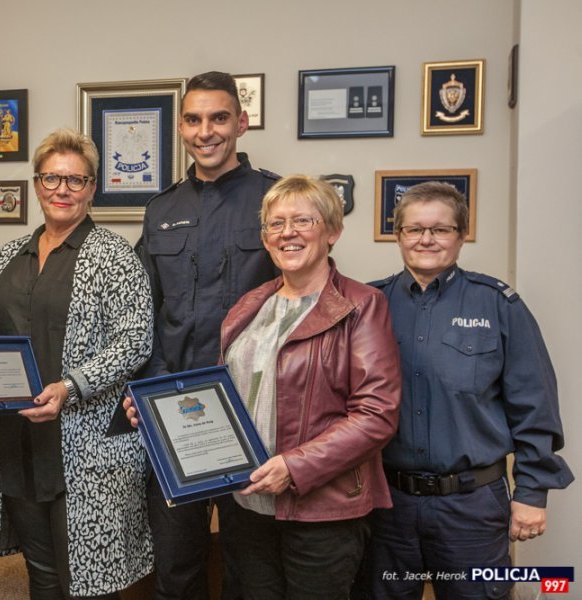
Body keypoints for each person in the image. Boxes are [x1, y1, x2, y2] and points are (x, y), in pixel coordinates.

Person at [363, 181, 575, 598]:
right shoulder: (369, 305)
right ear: (398, 235)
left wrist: (532, 493)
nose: (426, 239)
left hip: (471, 506)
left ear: (461, 236)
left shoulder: (498, 304)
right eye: (414, 229)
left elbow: (535, 406)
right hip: (387, 504)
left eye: (440, 229)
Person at [0, 128, 153, 600]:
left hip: (87, 450)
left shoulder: (114, 256)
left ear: (92, 188)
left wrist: (70, 387)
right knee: (43, 577)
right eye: (51, 178)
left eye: (76, 180)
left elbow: (136, 340)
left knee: (90, 583)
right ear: (36, 184)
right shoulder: (9, 256)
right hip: (17, 444)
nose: (62, 190)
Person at [207, 175, 399, 599]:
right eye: (276, 224)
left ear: (333, 232)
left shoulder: (362, 306)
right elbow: (221, 396)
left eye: (302, 221)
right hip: (248, 504)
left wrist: (294, 467)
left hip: (322, 513)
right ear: (265, 239)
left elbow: (377, 415)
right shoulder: (249, 305)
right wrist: (161, 417)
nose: (287, 233)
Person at [134, 70, 280, 600]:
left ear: (241, 122)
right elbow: (144, 312)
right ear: (180, 127)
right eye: (193, 120)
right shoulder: (161, 209)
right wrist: (148, 391)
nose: (206, 131)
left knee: (253, 573)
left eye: (219, 118)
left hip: (254, 417)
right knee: (176, 570)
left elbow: (301, 302)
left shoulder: (274, 199)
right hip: (176, 415)